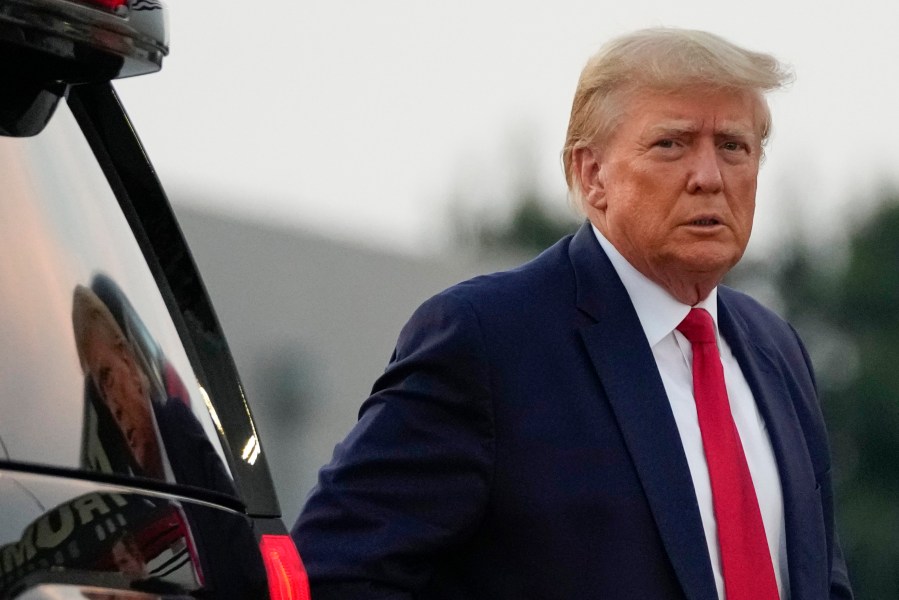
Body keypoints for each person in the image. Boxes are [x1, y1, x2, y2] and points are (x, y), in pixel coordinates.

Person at [293, 28, 853, 599]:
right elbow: (334, 574)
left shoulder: (775, 347)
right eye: (672, 144)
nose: (708, 176)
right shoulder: (488, 339)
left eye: (733, 146)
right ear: (592, 174)